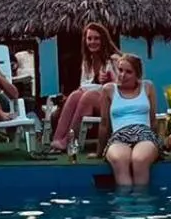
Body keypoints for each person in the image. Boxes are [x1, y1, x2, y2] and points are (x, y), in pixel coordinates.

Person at [48, 22, 122, 152]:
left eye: (96, 38)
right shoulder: (88, 61)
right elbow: (85, 84)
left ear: (103, 40)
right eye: (89, 38)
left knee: (89, 96)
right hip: (96, 100)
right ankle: (57, 140)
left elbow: (124, 88)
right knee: (75, 94)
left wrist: (110, 81)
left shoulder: (115, 60)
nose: (92, 42)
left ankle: (68, 141)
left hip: (114, 102)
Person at [98, 53, 162, 187]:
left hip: (144, 133)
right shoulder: (109, 89)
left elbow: (153, 120)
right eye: (120, 70)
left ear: (137, 75)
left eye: (128, 72)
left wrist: (158, 143)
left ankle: (142, 204)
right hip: (119, 135)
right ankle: (125, 204)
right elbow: (104, 124)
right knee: (120, 160)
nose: (122, 75)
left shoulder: (147, 87)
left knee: (139, 159)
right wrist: (99, 151)